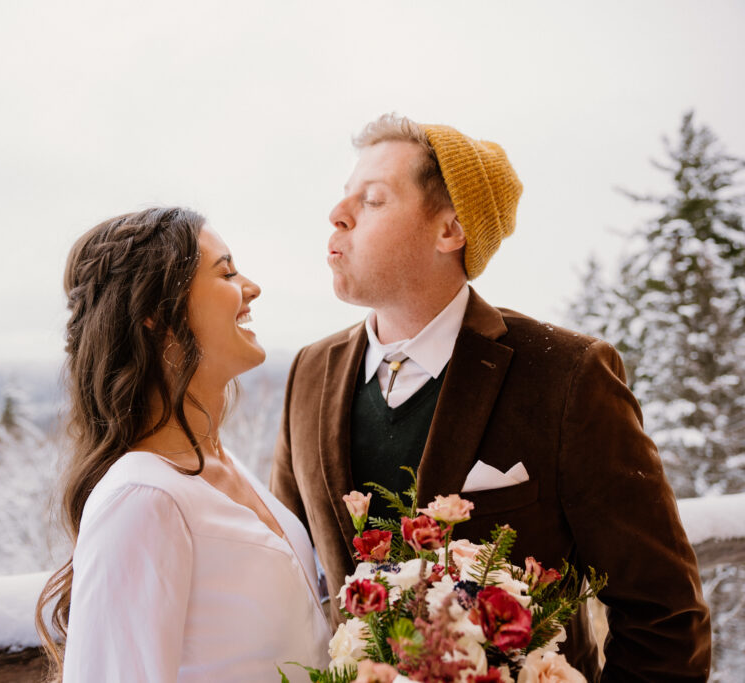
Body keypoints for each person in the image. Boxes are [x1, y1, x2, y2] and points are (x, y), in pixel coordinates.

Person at [270, 115, 711, 681]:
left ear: (450, 229)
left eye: (373, 200)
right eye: (344, 197)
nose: (339, 214)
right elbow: (294, 583)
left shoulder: (569, 376)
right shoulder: (307, 373)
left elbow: (663, 614)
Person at [36, 207, 330, 682]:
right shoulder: (142, 498)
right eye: (227, 272)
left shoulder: (224, 464)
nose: (251, 288)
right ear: (154, 312)